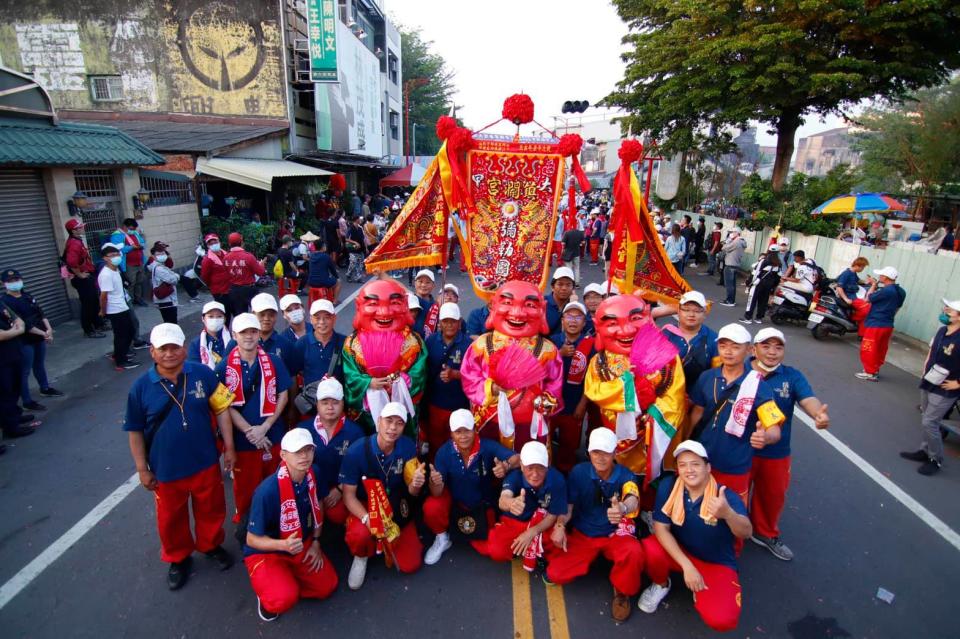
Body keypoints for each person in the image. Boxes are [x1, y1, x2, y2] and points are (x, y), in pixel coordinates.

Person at [123, 323, 236, 590]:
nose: (170, 353)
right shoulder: (140, 388)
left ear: (184, 349)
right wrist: (142, 469)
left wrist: (229, 447)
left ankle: (210, 545)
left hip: (205, 460)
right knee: (170, 517)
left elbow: (222, 410)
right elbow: (134, 431)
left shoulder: (203, 374)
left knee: (211, 507)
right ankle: (178, 557)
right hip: (166, 469)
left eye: (175, 347)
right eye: (163, 349)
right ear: (152, 352)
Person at [636, 441, 752, 632]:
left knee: (722, 620)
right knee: (650, 547)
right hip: (683, 551)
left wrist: (728, 514)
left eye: (695, 464)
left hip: (715, 562)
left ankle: (704, 588)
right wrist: (687, 566)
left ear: (708, 467)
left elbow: (746, 532)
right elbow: (661, 528)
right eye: (682, 465)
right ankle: (661, 583)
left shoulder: (724, 496)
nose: (689, 470)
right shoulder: (670, 486)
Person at [546, 428, 644, 622]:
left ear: (615, 453)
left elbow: (632, 497)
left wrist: (623, 508)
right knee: (555, 573)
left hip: (614, 535)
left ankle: (622, 591)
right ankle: (592, 561)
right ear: (589, 452)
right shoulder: (578, 472)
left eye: (606, 452)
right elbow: (569, 506)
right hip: (585, 535)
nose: (600, 457)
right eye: (595, 452)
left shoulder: (626, 475)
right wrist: (560, 525)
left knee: (634, 552)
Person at [749, 328, 829, 560]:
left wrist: (818, 415)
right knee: (735, 495)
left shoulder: (791, 376)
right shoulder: (741, 370)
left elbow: (808, 399)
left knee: (772, 495)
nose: (772, 352)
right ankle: (730, 536)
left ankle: (764, 532)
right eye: (766, 346)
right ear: (754, 349)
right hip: (741, 449)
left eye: (778, 347)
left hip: (776, 451)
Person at [243, 427, 337, 621]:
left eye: (308, 450)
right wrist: (282, 545)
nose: (304, 456)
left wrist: (317, 542)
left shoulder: (314, 473)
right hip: (271, 549)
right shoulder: (266, 491)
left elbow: (318, 504)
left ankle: (286, 580)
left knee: (327, 585)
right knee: (283, 599)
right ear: (283, 455)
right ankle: (272, 590)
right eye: (297, 452)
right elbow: (251, 539)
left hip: (300, 542)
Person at [689, 323, 785, 503]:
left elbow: (773, 427)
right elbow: (697, 412)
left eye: (735, 346)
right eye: (723, 346)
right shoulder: (707, 377)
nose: (728, 351)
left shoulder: (758, 386)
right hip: (701, 460)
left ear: (749, 350)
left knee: (731, 515)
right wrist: (684, 442)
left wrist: (766, 437)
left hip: (734, 464)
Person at [217, 313, 293, 525]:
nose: (249, 336)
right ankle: (247, 528)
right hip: (244, 441)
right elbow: (223, 404)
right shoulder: (224, 367)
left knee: (275, 483)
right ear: (234, 335)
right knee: (246, 488)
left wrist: (266, 426)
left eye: (253, 331)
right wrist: (251, 431)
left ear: (259, 333)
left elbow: (283, 394)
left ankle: (276, 525)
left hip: (273, 435)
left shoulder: (274, 362)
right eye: (243, 332)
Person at [339, 402, 424, 589]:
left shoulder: (408, 447)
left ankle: (390, 542)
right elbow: (348, 496)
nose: (393, 428)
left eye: (399, 423)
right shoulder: (356, 451)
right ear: (378, 422)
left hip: (393, 505)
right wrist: (368, 519)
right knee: (360, 535)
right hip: (366, 504)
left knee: (410, 564)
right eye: (388, 421)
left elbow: (412, 492)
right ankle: (361, 556)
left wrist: (416, 484)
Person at [422, 408, 520, 565]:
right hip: (455, 504)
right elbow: (436, 493)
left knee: (495, 549)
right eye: (458, 432)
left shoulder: (487, 446)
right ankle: (442, 537)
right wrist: (436, 483)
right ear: (451, 434)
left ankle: (469, 533)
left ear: (475, 430)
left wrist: (506, 466)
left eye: (467, 430)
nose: (463, 436)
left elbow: (517, 458)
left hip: (482, 505)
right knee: (432, 506)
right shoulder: (443, 453)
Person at [484, 441, 567, 570]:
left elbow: (552, 515)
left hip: (542, 525)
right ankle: (529, 550)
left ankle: (529, 548)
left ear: (547, 466)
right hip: (516, 522)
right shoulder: (514, 477)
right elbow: (503, 499)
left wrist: (530, 533)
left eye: (540, 468)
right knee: (496, 551)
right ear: (522, 466)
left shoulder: (557, 480)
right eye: (530, 468)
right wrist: (511, 503)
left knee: (560, 543)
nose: (535, 474)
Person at [900, 299, 960, 476]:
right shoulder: (942, 330)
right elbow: (932, 352)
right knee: (926, 418)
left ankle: (935, 459)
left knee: (930, 422)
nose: (945, 311)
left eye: (949, 310)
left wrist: (958, 383)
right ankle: (924, 451)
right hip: (929, 381)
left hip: (946, 388)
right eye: (945, 308)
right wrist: (925, 370)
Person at [297, 377, 364, 525]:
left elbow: (360, 467)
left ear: (343, 404)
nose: (330, 407)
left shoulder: (356, 432)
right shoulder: (302, 430)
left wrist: (340, 490)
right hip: (309, 488)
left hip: (341, 488)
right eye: (325, 402)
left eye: (335, 402)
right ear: (317, 404)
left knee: (338, 515)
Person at [1, 269, 62, 410]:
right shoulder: (5, 302)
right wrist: (43, 333)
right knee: (24, 371)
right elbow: (22, 324)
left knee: (39, 364)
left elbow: (40, 313)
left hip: (39, 336)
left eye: (16, 279)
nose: (15, 283)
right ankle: (27, 401)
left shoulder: (27, 296)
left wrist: (49, 329)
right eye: (10, 281)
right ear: (4, 284)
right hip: (24, 340)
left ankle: (45, 388)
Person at [548, 301, 594, 473]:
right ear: (562, 320)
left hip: (575, 404)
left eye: (578, 316)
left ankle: (567, 471)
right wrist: (558, 354)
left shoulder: (591, 345)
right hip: (551, 403)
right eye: (569, 316)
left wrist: (583, 404)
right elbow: (541, 368)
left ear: (584, 322)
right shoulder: (552, 342)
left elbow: (593, 378)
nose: (573, 320)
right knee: (546, 439)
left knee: (570, 442)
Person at [422, 303, 472, 460]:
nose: (449, 325)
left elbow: (476, 376)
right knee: (435, 442)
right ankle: (435, 474)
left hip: (459, 406)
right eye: (445, 321)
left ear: (460, 322)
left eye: (453, 321)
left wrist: (456, 374)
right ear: (439, 322)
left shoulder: (469, 345)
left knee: (458, 444)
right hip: (435, 404)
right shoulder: (430, 342)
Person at [856, 266, 906, 382]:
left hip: (876, 323)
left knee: (868, 348)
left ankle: (870, 372)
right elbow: (898, 307)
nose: (879, 277)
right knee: (880, 348)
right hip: (888, 324)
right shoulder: (901, 291)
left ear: (885, 277)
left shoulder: (886, 291)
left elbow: (867, 298)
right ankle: (875, 369)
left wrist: (873, 285)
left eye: (881, 275)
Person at [662, 291, 719, 389]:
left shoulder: (714, 339)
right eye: (686, 310)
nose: (691, 314)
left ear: (705, 313)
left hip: (698, 398)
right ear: (678, 311)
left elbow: (717, 375)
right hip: (667, 396)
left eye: (697, 311)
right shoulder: (666, 333)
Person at [99, 243, 139, 370]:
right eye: (112, 255)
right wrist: (103, 311)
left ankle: (119, 355)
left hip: (122, 305)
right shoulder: (106, 274)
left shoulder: (115, 270)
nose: (116, 257)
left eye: (117, 254)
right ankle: (121, 362)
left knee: (129, 331)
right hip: (115, 309)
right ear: (105, 258)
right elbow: (103, 296)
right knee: (122, 334)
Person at [62, 218, 105, 338]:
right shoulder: (74, 243)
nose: (82, 228)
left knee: (94, 302)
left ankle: (98, 324)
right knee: (88, 305)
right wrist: (80, 274)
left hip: (88, 275)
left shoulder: (77, 240)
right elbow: (71, 262)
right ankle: (89, 330)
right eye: (80, 227)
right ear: (73, 230)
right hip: (83, 278)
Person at [290, 299, 346, 386]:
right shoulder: (302, 344)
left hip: (338, 398)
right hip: (311, 398)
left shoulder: (345, 342)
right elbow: (295, 372)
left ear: (334, 318)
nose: (322, 322)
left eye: (327, 317)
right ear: (311, 319)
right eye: (317, 318)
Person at [0, 297, 33, 443]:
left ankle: (15, 415)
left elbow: (18, 320)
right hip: (2, 359)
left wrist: (16, 329)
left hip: (13, 352)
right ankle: (10, 427)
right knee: (5, 392)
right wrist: (16, 331)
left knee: (15, 388)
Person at [249, 293, 297, 375]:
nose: (266, 318)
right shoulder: (238, 343)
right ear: (253, 314)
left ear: (276, 315)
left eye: (271, 315)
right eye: (262, 314)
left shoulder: (286, 344)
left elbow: (292, 377)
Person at [223, 233, 266, 317]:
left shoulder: (225, 258)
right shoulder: (248, 257)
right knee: (259, 313)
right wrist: (261, 265)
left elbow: (226, 274)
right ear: (242, 242)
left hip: (234, 290)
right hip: (249, 290)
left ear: (229, 244)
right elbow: (260, 272)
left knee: (240, 317)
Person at [110, 218, 147, 306]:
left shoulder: (135, 233)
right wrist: (131, 247)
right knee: (130, 283)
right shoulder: (117, 236)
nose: (132, 231)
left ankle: (138, 299)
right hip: (128, 264)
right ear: (124, 227)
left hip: (139, 262)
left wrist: (141, 244)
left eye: (134, 229)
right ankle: (129, 302)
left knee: (139, 282)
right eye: (130, 229)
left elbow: (142, 242)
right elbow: (117, 250)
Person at [741, 251, 781, 324]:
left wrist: (749, 283)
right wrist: (773, 286)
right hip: (768, 285)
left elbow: (755, 273)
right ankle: (759, 318)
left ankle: (748, 318)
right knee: (763, 301)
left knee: (752, 300)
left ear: (768, 251)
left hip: (758, 284)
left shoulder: (764, 261)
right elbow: (778, 277)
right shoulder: (778, 263)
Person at [200, 234, 232, 322]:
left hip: (230, 289)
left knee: (232, 311)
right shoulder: (207, 260)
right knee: (224, 315)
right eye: (211, 243)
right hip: (219, 291)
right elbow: (205, 277)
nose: (214, 244)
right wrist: (214, 285)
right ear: (208, 246)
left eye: (215, 242)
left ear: (219, 242)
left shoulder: (226, 254)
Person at [188, 301, 230, 369]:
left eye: (219, 316)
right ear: (203, 319)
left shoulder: (233, 339)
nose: (215, 320)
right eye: (211, 316)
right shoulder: (196, 343)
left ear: (224, 319)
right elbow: (194, 367)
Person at [148, 242, 180, 324]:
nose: (161, 255)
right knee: (171, 322)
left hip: (167, 299)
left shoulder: (160, 265)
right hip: (166, 300)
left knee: (169, 321)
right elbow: (173, 280)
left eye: (163, 253)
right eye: (158, 254)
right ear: (154, 257)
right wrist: (176, 276)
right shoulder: (159, 268)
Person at [307, 241, 341, 308]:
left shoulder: (311, 256)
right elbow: (332, 269)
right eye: (325, 246)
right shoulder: (326, 256)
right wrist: (337, 277)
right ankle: (334, 301)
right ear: (322, 247)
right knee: (338, 282)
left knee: (329, 279)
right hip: (322, 281)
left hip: (311, 281)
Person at [718, 229, 747, 307]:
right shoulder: (741, 242)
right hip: (735, 265)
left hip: (730, 265)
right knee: (732, 284)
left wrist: (728, 240)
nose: (730, 234)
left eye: (732, 232)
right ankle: (731, 300)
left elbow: (724, 248)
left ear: (737, 233)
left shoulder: (736, 242)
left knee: (729, 285)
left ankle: (730, 301)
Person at [545, 267, 577, 336]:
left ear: (573, 288)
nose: (564, 288)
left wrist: (573, 306)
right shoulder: (542, 304)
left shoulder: (574, 305)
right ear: (552, 287)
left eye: (568, 285)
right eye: (560, 284)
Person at [412, 269, 439, 339]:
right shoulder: (409, 300)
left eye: (428, 282)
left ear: (433, 285)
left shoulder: (437, 305)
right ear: (414, 283)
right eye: (420, 281)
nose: (423, 285)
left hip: (430, 344)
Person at [344, 216, 367, 283]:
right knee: (353, 263)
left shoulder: (360, 228)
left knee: (360, 264)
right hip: (353, 249)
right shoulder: (350, 228)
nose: (360, 220)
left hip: (361, 248)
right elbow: (346, 239)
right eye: (359, 219)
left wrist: (365, 247)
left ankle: (358, 278)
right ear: (356, 220)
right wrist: (355, 242)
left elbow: (363, 239)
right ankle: (348, 275)